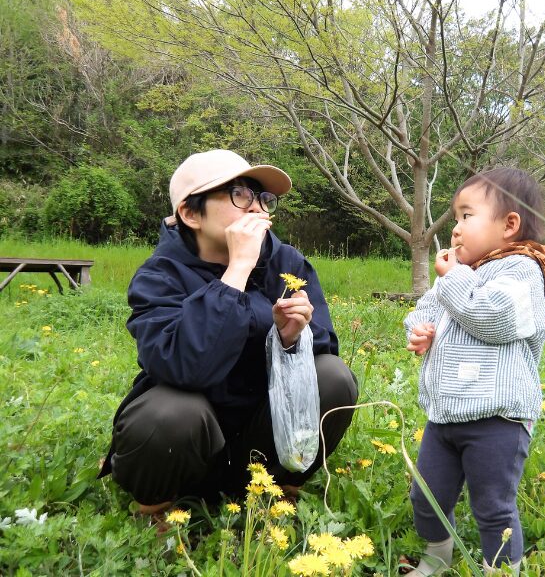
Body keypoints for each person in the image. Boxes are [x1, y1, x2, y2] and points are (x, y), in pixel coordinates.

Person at [98, 149, 358, 513]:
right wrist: (236, 271)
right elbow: (183, 368)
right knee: (169, 413)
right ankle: (157, 508)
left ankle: (281, 487)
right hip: (190, 442)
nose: (258, 209)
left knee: (333, 376)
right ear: (191, 214)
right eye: (239, 195)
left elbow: (324, 347)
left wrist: (291, 340)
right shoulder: (160, 275)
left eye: (262, 198)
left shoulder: (286, 262)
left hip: (260, 438)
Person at [403, 167, 545, 576]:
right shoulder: (460, 274)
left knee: (492, 506)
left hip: (498, 419)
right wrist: (419, 330)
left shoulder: (522, 271)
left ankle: (501, 570)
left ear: (509, 225)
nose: (455, 228)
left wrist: (454, 277)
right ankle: (437, 556)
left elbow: (491, 317)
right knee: (426, 496)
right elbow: (427, 308)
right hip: (445, 414)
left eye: (466, 216)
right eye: (456, 217)